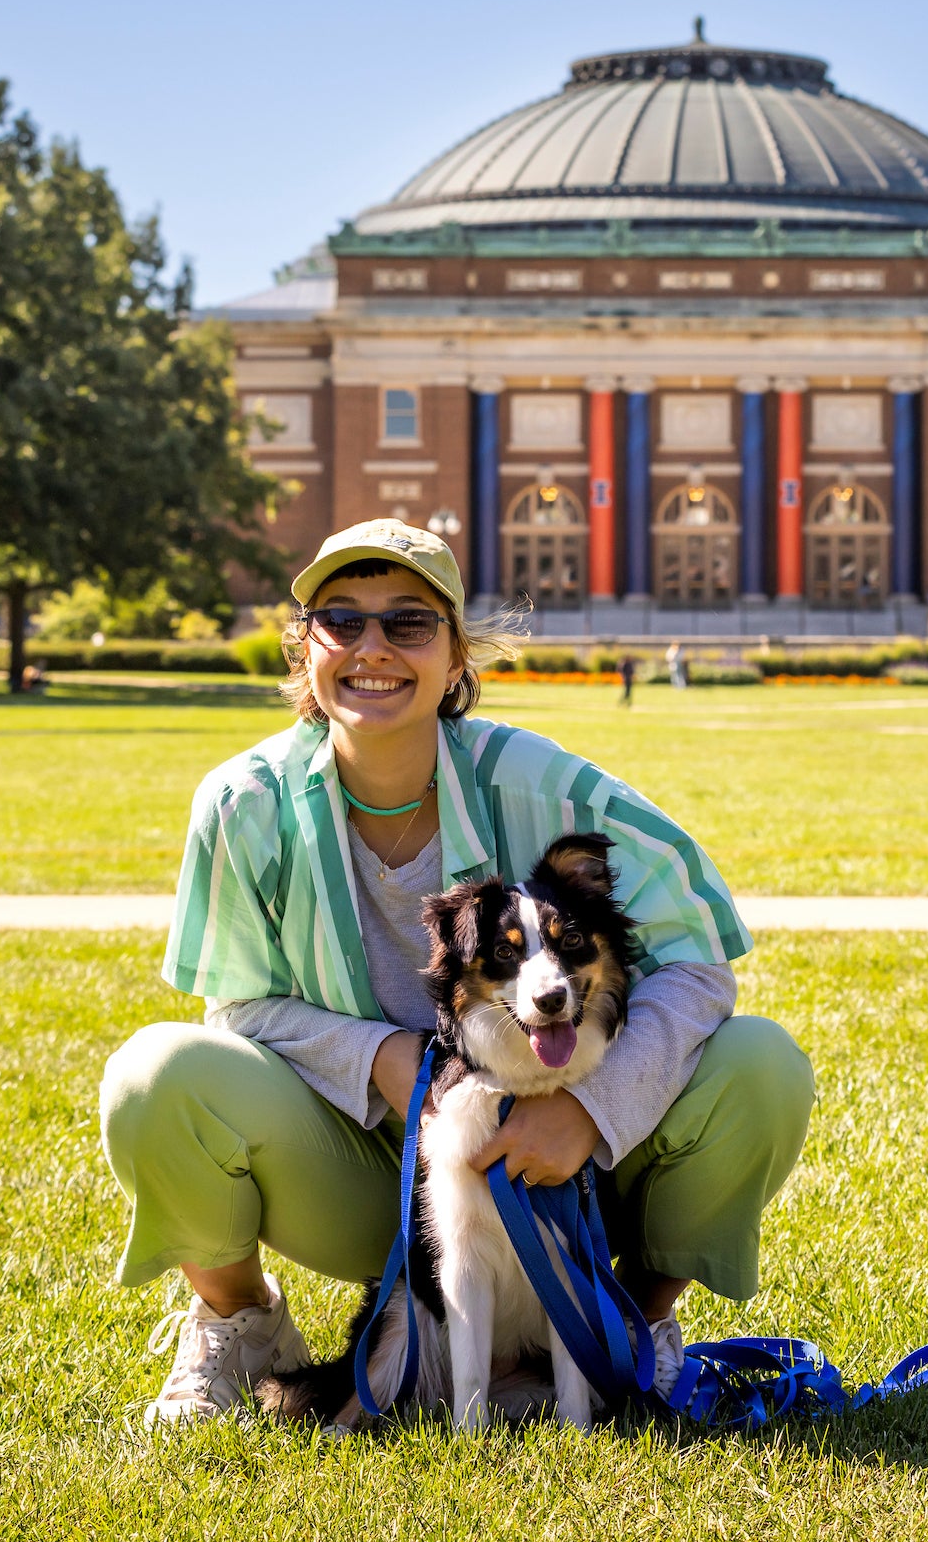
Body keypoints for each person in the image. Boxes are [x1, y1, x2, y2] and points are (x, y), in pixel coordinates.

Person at [97, 519, 813, 1429]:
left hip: (577, 1186)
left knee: (762, 1065)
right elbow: (237, 1004)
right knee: (156, 1077)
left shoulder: (542, 783)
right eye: (340, 619)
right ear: (305, 644)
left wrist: (589, 1112)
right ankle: (240, 1324)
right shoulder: (245, 804)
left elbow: (699, 964)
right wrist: (384, 1057)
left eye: (408, 622)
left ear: (455, 652)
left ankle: (633, 1328)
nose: (372, 649)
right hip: (367, 1174)